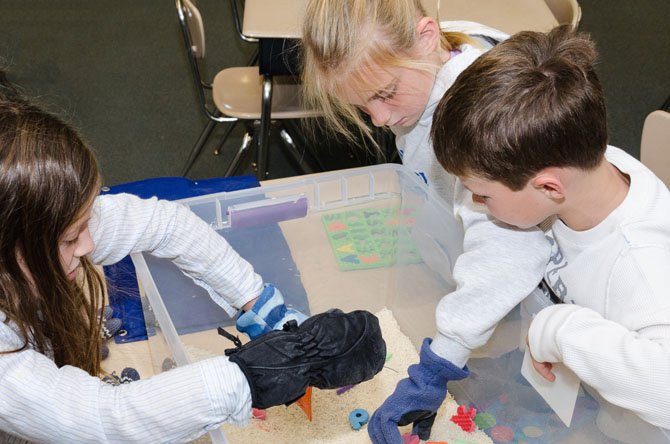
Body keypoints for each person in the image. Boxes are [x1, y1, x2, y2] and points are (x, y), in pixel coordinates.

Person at [0, 92, 386, 442]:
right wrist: (256, 373)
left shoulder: (34, 226)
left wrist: (259, 303)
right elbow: (104, 420)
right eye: (68, 239)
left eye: (84, 224)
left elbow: (168, 225)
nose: (87, 245)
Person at [301, 1, 551, 442]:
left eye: (384, 93)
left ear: (427, 36)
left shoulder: (476, 120)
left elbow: (508, 250)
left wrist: (436, 368)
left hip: (530, 295)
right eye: (362, 106)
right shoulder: (436, 55)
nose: (379, 119)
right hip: (475, 278)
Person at [431, 25, 670, 443]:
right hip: (565, 389)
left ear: (548, 187)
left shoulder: (642, 263)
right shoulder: (579, 165)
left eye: (482, 194)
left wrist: (560, 330)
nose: (476, 205)